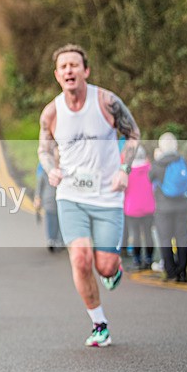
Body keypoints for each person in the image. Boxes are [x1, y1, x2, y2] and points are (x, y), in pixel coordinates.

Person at [38, 43, 140, 348]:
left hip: (107, 195)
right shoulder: (52, 111)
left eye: (74, 65)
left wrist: (124, 168)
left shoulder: (106, 101)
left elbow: (132, 133)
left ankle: (114, 267)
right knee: (80, 259)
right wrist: (50, 170)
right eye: (63, 66)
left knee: (104, 266)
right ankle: (99, 324)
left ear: (86, 70)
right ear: (57, 75)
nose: (69, 70)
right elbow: (44, 149)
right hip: (71, 195)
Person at [150, 132, 187, 282]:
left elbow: (150, 179)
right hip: (182, 207)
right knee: (182, 238)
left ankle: (170, 270)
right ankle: (182, 271)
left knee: (165, 239)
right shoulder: (183, 161)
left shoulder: (158, 164)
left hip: (163, 208)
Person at [123, 145, 155, 270]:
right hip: (148, 207)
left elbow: (124, 190)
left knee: (135, 235)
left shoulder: (127, 172)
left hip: (132, 208)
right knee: (148, 234)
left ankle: (137, 259)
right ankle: (149, 258)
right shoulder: (150, 169)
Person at [34, 163, 62, 252]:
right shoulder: (45, 171)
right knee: (53, 220)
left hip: (54, 201)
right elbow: (40, 185)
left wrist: (38, 198)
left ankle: (56, 240)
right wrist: (38, 197)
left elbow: (39, 185)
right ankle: (53, 240)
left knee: (56, 221)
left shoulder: (45, 170)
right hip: (52, 201)